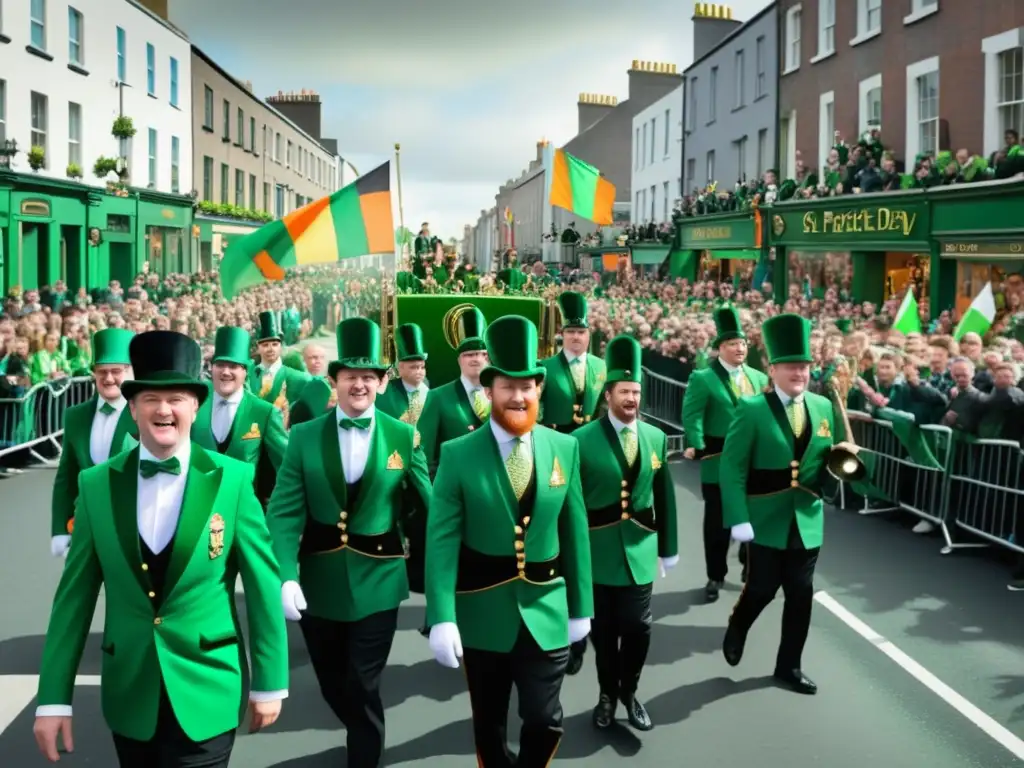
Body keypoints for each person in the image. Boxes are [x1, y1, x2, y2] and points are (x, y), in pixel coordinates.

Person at [33, 331, 288, 766]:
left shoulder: (233, 480)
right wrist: (53, 699)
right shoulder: (95, 486)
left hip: (208, 686)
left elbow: (263, 585)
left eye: (176, 398)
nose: (164, 409)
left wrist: (270, 681)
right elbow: (73, 600)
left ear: (196, 405)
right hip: (129, 691)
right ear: (132, 408)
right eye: (151, 398)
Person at [425, 315, 593, 768]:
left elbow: (575, 533)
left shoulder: (565, 448)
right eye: (507, 387)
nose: (518, 397)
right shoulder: (458, 455)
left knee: (545, 718)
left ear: (539, 390)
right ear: (489, 390)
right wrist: (441, 617)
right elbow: (441, 541)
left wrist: (583, 606)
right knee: (490, 722)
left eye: (527, 387)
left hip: (548, 608)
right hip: (482, 614)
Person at [267, 317, 432, 768]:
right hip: (318, 581)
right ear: (334, 381)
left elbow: (431, 505)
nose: (359, 385)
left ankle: (364, 756)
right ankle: (361, 728)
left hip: (380, 579)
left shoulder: (403, 434)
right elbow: (283, 510)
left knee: (362, 680)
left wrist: (450, 573)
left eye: (368, 377)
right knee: (331, 682)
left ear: (381, 383)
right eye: (350, 377)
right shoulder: (303, 436)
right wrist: (283, 575)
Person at [719, 313, 843, 696]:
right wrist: (738, 518)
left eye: (804, 367)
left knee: (800, 593)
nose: (799, 373)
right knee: (761, 588)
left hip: (806, 516)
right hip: (766, 517)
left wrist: (838, 472)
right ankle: (738, 624)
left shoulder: (822, 406)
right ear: (772, 369)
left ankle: (788, 666)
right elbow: (733, 467)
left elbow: (826, 456)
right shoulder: (753, 408)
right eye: (791, 366)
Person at [574, 334, 679, 731]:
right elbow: (570, 504)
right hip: (596, 552)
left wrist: (668, 547)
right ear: (608, 395)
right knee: (603, 632)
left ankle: (629, 692)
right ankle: (606, 694)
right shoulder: (580, 441)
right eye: (624, 392)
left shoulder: (655, 437)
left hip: (638, 549)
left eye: (636, 392)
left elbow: (664, 496)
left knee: (637, 627)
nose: (632, 399)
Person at [682, 306, 768, 601]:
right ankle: (715, 574)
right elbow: (692, 413)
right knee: (718, 521)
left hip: (753, 462)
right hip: (717, 459)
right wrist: (696, 441)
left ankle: (750, 565)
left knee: (754, 515)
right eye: (733, 344)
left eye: (743, 343)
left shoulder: (758, 378)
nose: (739, 348)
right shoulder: (704, 378)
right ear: (720, 348)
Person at [539, 291, 606, 673]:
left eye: (582, 331)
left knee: (589, 531)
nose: (577, 337)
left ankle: (586, 618)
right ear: (561, 335)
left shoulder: (601, 367)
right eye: (571, 331)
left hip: (591, 456)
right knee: (560, 529)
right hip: (557, 452)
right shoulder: (546, 368)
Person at [50, 328, 138, 557]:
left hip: (133, 528)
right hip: (84, 526)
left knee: (125, 593)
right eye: (102, 372)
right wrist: (59, 529)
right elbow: (66, 476)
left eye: (116, 371)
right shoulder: (75, 416)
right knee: (73, 592)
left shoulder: (145, 414)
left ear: (131, 372)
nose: (108, 378)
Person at [193, 326, 288, 506]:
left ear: (245, 371)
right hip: (198, 507)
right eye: (220, 365)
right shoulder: (196, 401)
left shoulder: (264, 412)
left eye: (234, 366)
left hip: (241, 509)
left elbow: (288, 465)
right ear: (212, 368)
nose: (226, 372)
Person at [416, 307, 490, 474]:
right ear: (459, 360)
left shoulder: (500, 395)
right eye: (469, 355)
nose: (475, 359)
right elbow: (425, 456)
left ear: (488, 358)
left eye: (481, 354)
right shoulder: (437, 397)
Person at [247, 310, 308, 411]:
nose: (270, 349)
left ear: (280, 347)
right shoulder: (250, 373)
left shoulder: (294, 375)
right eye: (265, 345)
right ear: (258, 348)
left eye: (275, 344)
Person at [376, 322, 430, 424]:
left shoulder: (431, 392)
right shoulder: (387, 394)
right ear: (401, 368)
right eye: (413, 367)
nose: (419, 371)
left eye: (422, 367)